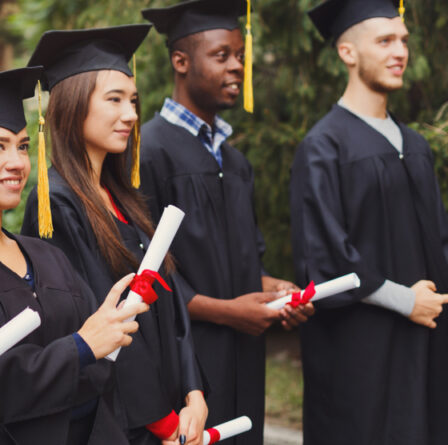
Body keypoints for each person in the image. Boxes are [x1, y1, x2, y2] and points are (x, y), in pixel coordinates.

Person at [0, 67, 146, 445]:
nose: (18, 162)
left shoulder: (47, 257)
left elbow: (102, 371)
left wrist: (92, 347)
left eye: (21, 146)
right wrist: (78, 350)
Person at [137, 2, 316, 442]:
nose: (237, 67)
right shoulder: (148, 152)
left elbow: (242, 260)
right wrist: (227, 312)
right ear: (181, 61)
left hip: (245, 358)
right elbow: (144, 274)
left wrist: (274, 290)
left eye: (240, 56)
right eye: (222, 56)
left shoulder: (234, 161)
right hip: (187, 365)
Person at [22, 25, 208, 445]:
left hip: (170, 414)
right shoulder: (57, 203)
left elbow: (171, 303)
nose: (131, 114)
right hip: (116, 421)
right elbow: (96, 316)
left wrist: (193, 394)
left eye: (133, 101)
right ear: (72, 104)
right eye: (115, 100)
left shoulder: (125, 198)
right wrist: (162, 422)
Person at [291, 0, 448, 443]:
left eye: (403, 41)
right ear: (347, 52)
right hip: (359, 356)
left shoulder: (415, 145)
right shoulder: (323, 147)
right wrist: (405, 300)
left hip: (425, 343)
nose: (400, 51)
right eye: (384, 41)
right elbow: (324, 257)